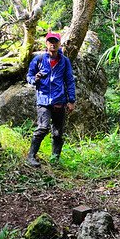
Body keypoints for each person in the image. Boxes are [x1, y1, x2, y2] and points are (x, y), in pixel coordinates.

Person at [25, 31, 76, 166]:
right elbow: (29, 76)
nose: (53, 44)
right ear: (46, 44)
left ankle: (55, 160)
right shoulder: (39, 59)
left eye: (55, 42)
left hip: (59, 101)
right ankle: (31, 156)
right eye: (50, 42)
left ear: (59, 44)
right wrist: (34, 79)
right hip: (43, 100)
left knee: (58, 133)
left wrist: (71, 100)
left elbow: (69, 81)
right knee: (43, 128)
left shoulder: (65, 61)